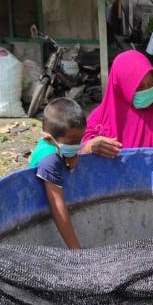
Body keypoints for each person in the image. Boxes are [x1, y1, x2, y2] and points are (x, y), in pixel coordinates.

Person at [82, 50, 153, 156]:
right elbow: (78, 150)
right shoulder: (100, 118)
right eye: (139, 87)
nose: (147, 90)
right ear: (121, 87)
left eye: (151, 83)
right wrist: (92, 146)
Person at [36, 98, 86, 249]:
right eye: (72, 142)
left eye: (80, 140)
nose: (77, 146)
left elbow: (70, 150)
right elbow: (57, 204)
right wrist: (76, 250)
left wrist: (71, 154)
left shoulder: (55, 147)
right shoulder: (49, 160)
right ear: (47, 136)